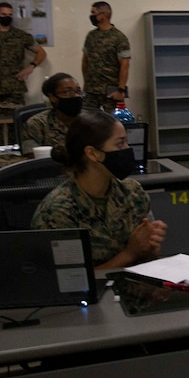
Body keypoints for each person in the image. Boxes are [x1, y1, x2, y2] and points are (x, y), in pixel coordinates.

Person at [32, 110, 166, 269]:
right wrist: (130, 254)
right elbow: (71, 281)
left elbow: (150, 258)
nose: (127, 149)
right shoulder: (59, 210)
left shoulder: (132, 192)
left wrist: (151, 246)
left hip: (135, 288)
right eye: (120, 143)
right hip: (92, 293)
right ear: (93, 153)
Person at [0, 1, 46, 132]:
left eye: (10, 14)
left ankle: (17, 151)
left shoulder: (20, 36)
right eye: (3, 14)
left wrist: (31, 66)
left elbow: (41, 52)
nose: (7, 17)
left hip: (14, 87)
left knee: (16, 124)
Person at [82, 1, 130, 111]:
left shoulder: (119, 37)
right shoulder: (91, 36)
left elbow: (125, 65)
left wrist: (121, 90)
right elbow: (85, 61)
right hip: (91, 91)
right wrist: (87, 84)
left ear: (103, 14)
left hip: (111, 90)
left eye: (93, 12)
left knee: (114, 124)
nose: (91, 16)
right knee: (87, 122)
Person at [21, 73, 85, 156]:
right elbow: (31, 155)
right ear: (53, 97)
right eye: (68, 91)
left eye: (78, 91)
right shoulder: (37, 123)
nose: (76, 95)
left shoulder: (92, 121)